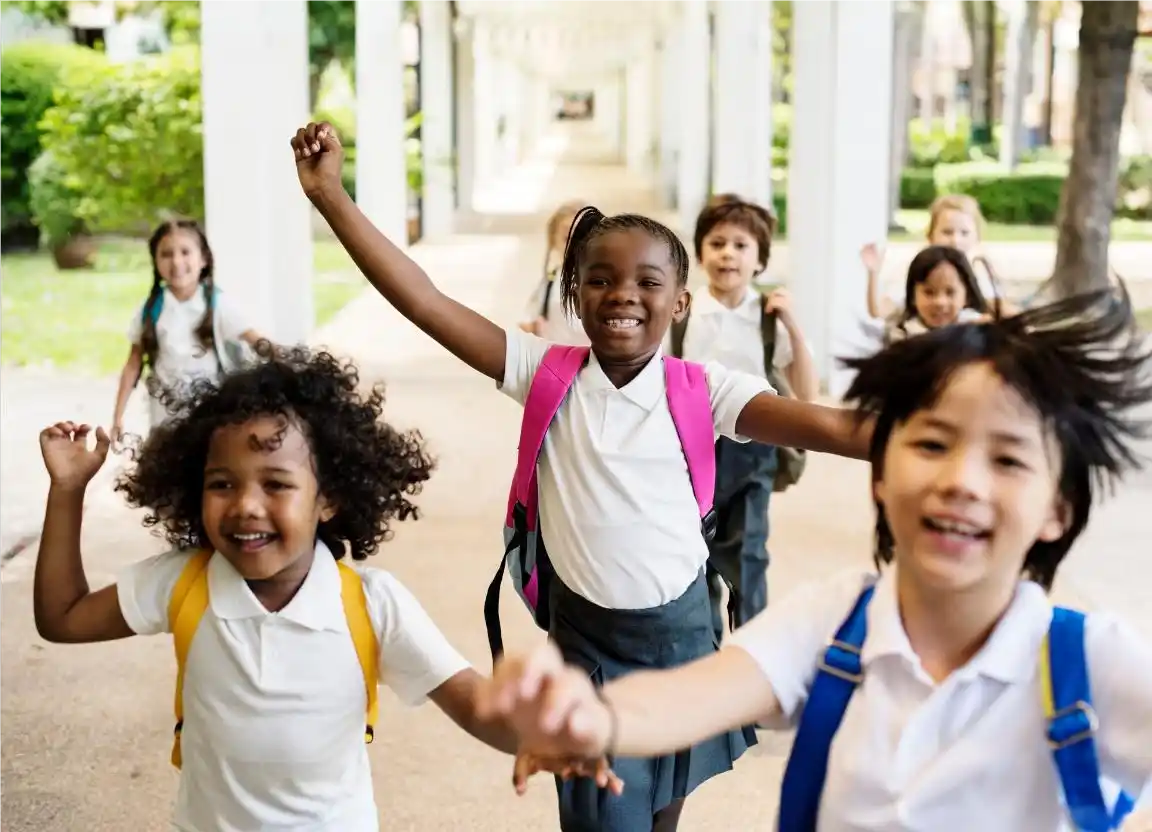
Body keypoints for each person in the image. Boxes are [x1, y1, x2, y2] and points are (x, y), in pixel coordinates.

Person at [289, 121, 871, 832]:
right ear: (574, 292)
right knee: (605, 821)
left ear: (679, 302)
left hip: (685, 639)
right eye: (600, 279)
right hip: (589, 649)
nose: (622, 294)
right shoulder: (543, 373)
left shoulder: (704, 388)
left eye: (647, 282)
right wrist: (330, 198)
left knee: (659, 815)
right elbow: (424, 301)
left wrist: (952, 430)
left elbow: (834, 427)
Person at [475, 287, 1152, 831]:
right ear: (880, 471)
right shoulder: (832, 622)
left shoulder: (1094, 664)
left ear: (1059, 508)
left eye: (1006, 458)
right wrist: (591, 717)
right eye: (934, 445)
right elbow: (693, 694)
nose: (963, 481)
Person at [34, 344, 617, 831]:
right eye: (221, 483)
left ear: (329, 497)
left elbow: (468, 699)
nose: (245, 505)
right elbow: (62, 618)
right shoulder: (184, 583)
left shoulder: (369, 603)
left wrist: (535, 735)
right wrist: (67, 491)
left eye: (276, 483)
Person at [670, 193, 818, 641]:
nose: (727, 254)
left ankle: (754, 652)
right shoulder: (683, 312)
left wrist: (792, 323)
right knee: (696, 554)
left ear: (760, 260)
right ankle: (706, 650)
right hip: (692, 451)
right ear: (700, 254)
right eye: (717, 244)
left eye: (740, 245)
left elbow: (806, 391)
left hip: (754, 451)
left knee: (748, 553)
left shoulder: (768, 318)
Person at [110, 219, 268, 439]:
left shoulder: (218, 305)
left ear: (203, 258)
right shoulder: (150, 310)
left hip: (210, 418)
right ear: (155, 261)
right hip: (165, 420)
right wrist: (117, 416)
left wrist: (293, 363)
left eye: (185, 252)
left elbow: (258, 342)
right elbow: (133, 363)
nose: (176, 262)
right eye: (166, 254)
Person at [862, 193, 1011, 320]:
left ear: (977, 237)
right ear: (930, 235)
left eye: (964, 233)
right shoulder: (919, 271)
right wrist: (873, 273)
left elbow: (1002, 312)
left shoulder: (982, 276)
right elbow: (879, 311)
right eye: (947, 232)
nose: (955, 240)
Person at [864, 245, 991, 347]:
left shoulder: (974, 328)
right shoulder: (905, 335)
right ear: (913, 296)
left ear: (967, 297)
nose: (940, 302)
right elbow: (876, 311)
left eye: (950, 292)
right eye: (929, 292)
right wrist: (873, 273)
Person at [520, 200, 589, 344]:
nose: (574, 245)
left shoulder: (606, 282)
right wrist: (534, 327)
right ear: (554, 241)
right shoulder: (550, 282)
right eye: (566, 238)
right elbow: (528, 321)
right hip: (557, 361)